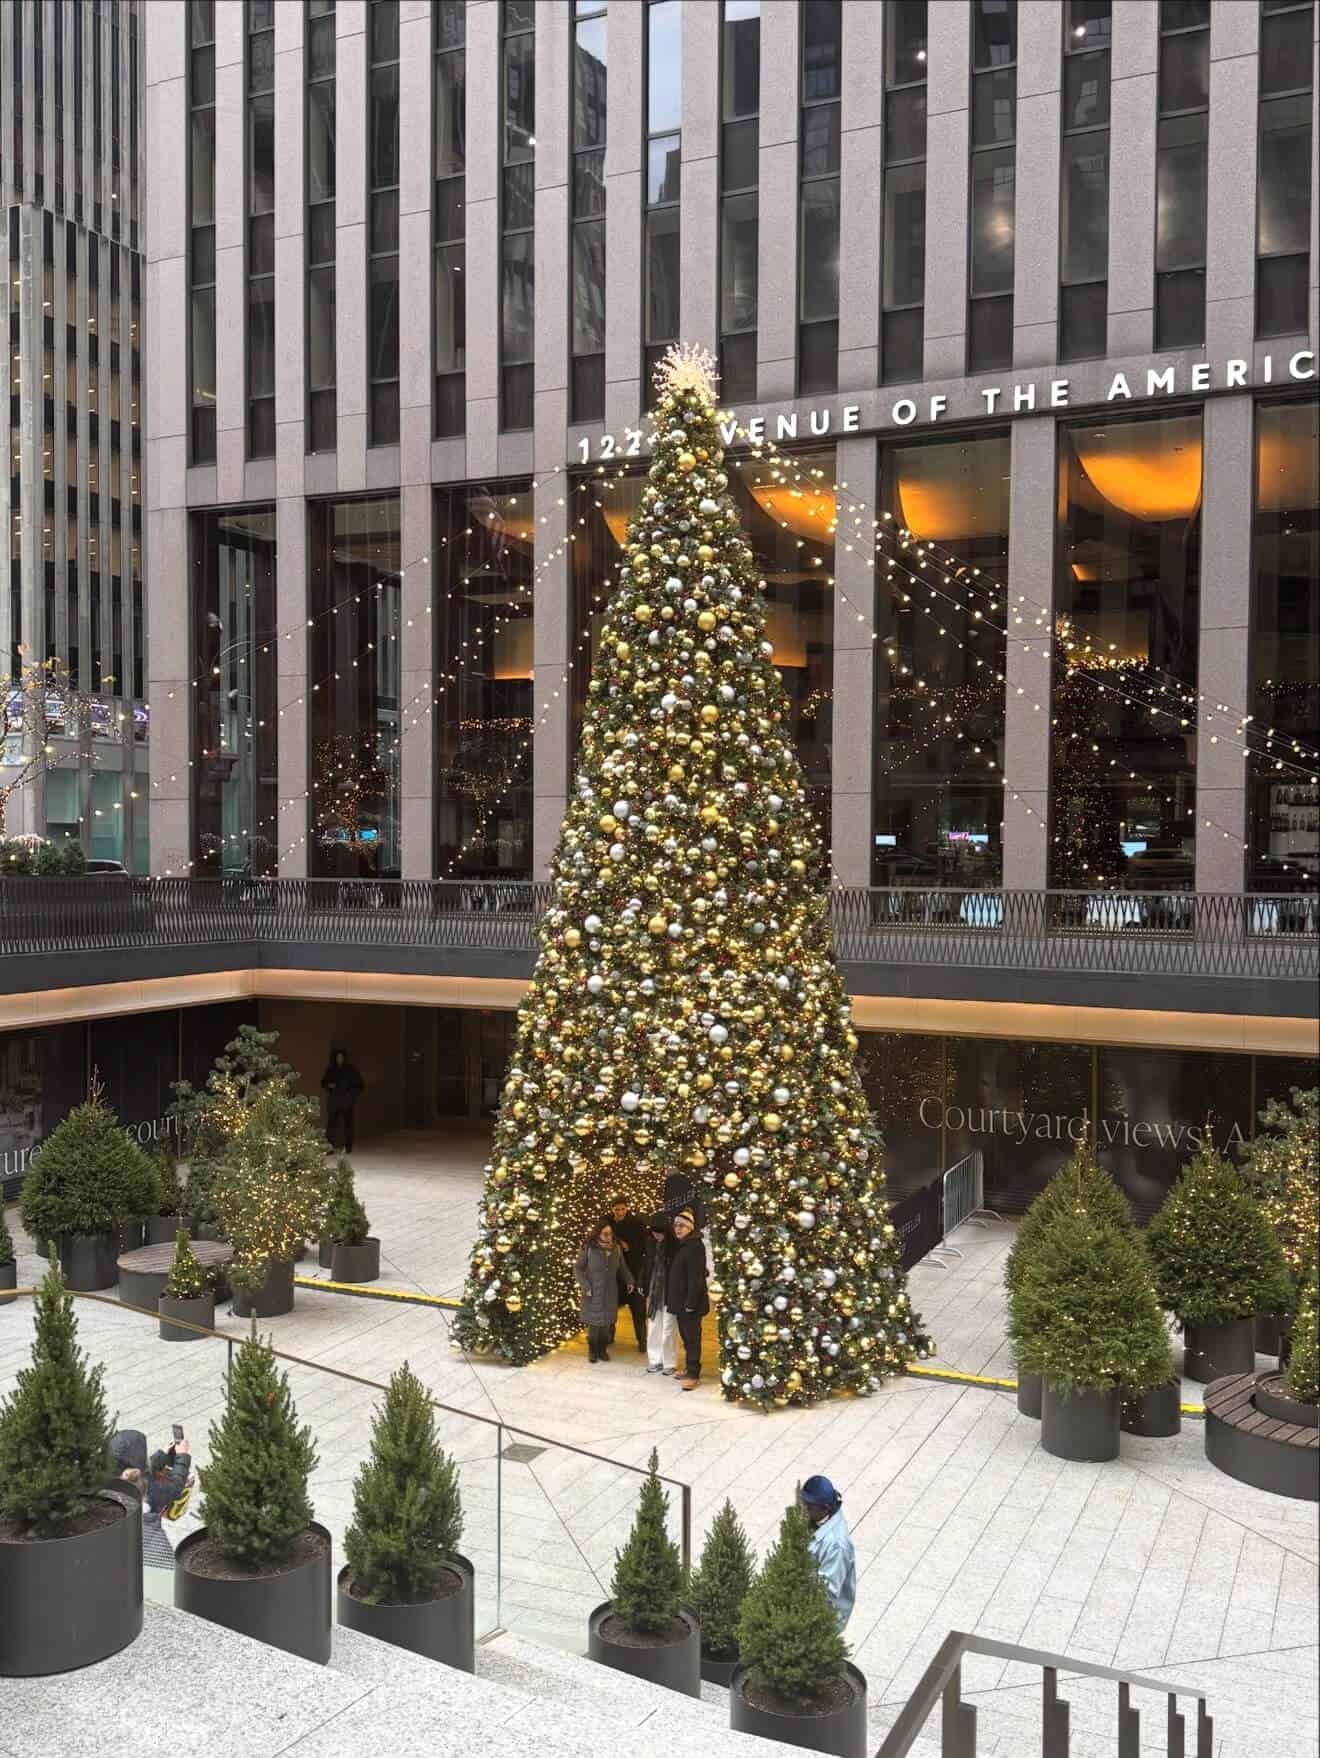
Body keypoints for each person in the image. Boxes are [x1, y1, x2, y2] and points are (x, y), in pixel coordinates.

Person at [800, 1475, 857, 1630]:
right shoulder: (821, 1518)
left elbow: (826, 1593)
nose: (804, 1509)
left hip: (824, 1619)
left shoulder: (837, 1545)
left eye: (809, 1506)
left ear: (825, 1508)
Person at [574, 1219, 634, 1363]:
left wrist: (630, 1281)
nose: (608, 1236)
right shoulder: (589, 1248)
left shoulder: (616, 1248)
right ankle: (593, 1350)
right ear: (598, 1233)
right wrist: (585, 1286)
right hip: (593, 1292)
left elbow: (623, 1268)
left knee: (607, 1324)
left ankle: (602, 1350)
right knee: (594, 1325)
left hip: (610, 1292)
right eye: (605, 1234)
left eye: (610, 1234)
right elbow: (577, 1268)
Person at [665, 1207, 709, 1390]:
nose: (678, 1229)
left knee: (692, 1337)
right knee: (686, 1336)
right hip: (682, 1302)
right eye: (676, 1226)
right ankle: (689, 1368)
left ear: (690, 1227)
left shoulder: (694, 1246)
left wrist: (691, 1303)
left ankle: (693, 1373)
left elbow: (696, 1278)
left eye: (682, 1226)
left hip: (689, 1303)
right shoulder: (684, 1244)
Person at [607, 1196, 648, 1353]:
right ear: (612, 1209)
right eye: (616, 1209)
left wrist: (629, 1247)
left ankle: (642, 1341)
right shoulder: (606, 1222)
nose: (620, 1212)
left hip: (634, 1271)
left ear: (627, 1208)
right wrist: (618, 1242)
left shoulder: (636, 1223)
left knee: (638, 1310)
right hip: (614, 1274)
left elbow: (643, 1246)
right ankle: (609, 1337)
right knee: (610, 1308)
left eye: (622, 1209)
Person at [642, 1211, 677, 1375]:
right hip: (654, 1291)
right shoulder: (650, 1242)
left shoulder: (675, 1245)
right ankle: (655, 1360)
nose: (657, 1236)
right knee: (654, 1326)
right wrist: (643, 1282)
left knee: (668, 1328)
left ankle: (669, 1362)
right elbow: (647, 1263)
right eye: (654, 1233)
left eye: (660, 1233)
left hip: (670, 1291)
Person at [320, 1048, 364, 1152]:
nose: (339, 1059)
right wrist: (329, 1085)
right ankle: (329, 1148)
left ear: (345, 1058)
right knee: (331, 1125)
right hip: (334, 1101)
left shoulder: (351, 1070)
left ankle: (348, 1147)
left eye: (341, 1057)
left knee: (348, 1125)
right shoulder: (331, 1069)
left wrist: (351, 1095)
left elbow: (360, 1085)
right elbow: (323, 1082)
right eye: (337, 1057)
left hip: (347, 1101)